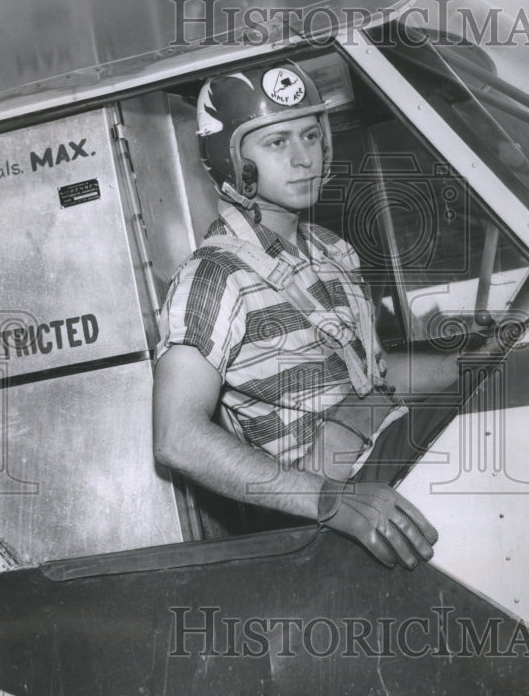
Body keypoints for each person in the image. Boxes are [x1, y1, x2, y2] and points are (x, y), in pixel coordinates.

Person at [153, 61, 462, 570]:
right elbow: (176, 437)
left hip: (392, 458)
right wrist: (331, 502)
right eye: (276, 143)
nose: (304, 158)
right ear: (232, 162)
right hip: (340, 511)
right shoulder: (214, 276)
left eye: (311, 136)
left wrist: (477, 365)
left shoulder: (332, 252)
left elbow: (378, 379)